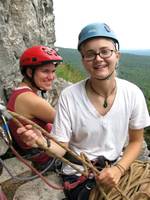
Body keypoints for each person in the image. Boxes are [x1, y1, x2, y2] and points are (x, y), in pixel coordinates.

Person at [16, 23, 150, 199]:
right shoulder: (69, 97)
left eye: (105, 51)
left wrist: (118, 169)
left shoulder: (133, 93)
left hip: (116, 166)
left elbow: (136, 141)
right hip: (81, 173)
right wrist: (42, 142)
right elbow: (61, 147)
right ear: (83, 61)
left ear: (117, 55)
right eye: (90, 54)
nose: (98, 58)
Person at [7, 45, 63, 171]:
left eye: (53, 71)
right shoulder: (31, 100)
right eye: (45, 71)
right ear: (29, 72)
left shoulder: (20, 92)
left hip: (41, 150)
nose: (52, 76)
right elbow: (68, 122)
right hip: (47, 157)